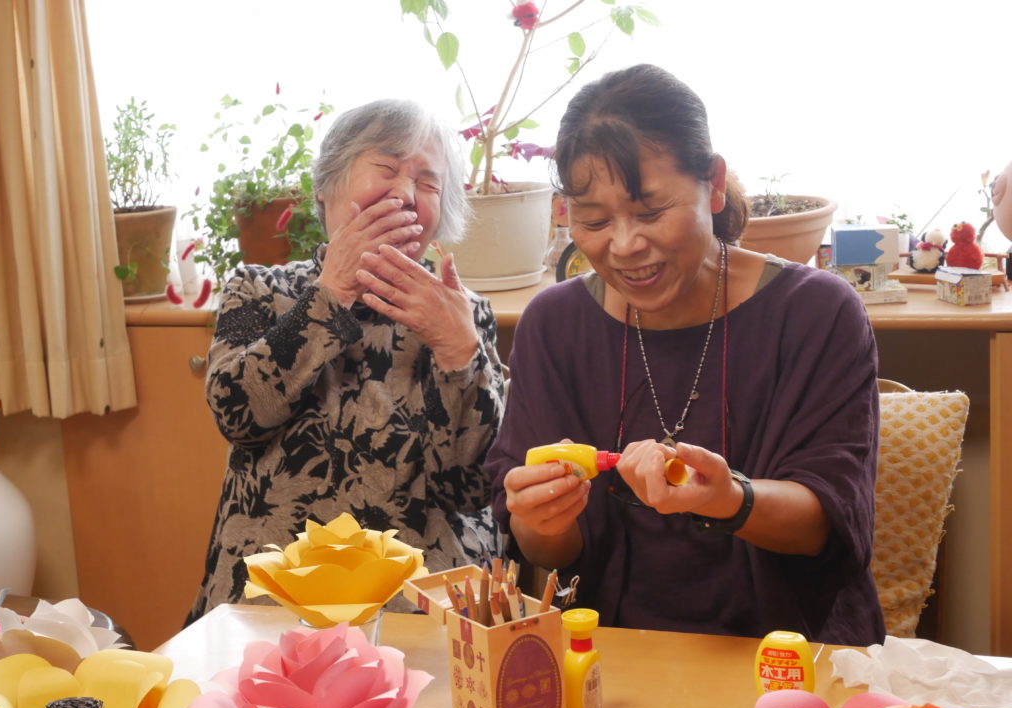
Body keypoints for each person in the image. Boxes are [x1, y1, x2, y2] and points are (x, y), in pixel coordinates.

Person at [485, 64, 885, 646]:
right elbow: (549, 553)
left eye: (650, 212)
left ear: (714, 184)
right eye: (595, 220)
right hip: (613, 656)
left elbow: (828, 523)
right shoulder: (555, 325)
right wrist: (541, 517)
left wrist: (731, 500)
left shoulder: (816, 312)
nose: (625, 245)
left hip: (789, 654)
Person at [188, 99, 505, 622]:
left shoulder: (463, 314)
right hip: (276, 591)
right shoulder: (259, 289)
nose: (406, 195)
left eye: (427, 183)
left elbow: (469, 488)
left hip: (422, 602)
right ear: (327, 186)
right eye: (387, 168)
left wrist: (457, 351)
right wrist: (331, 292)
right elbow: (237, 415)